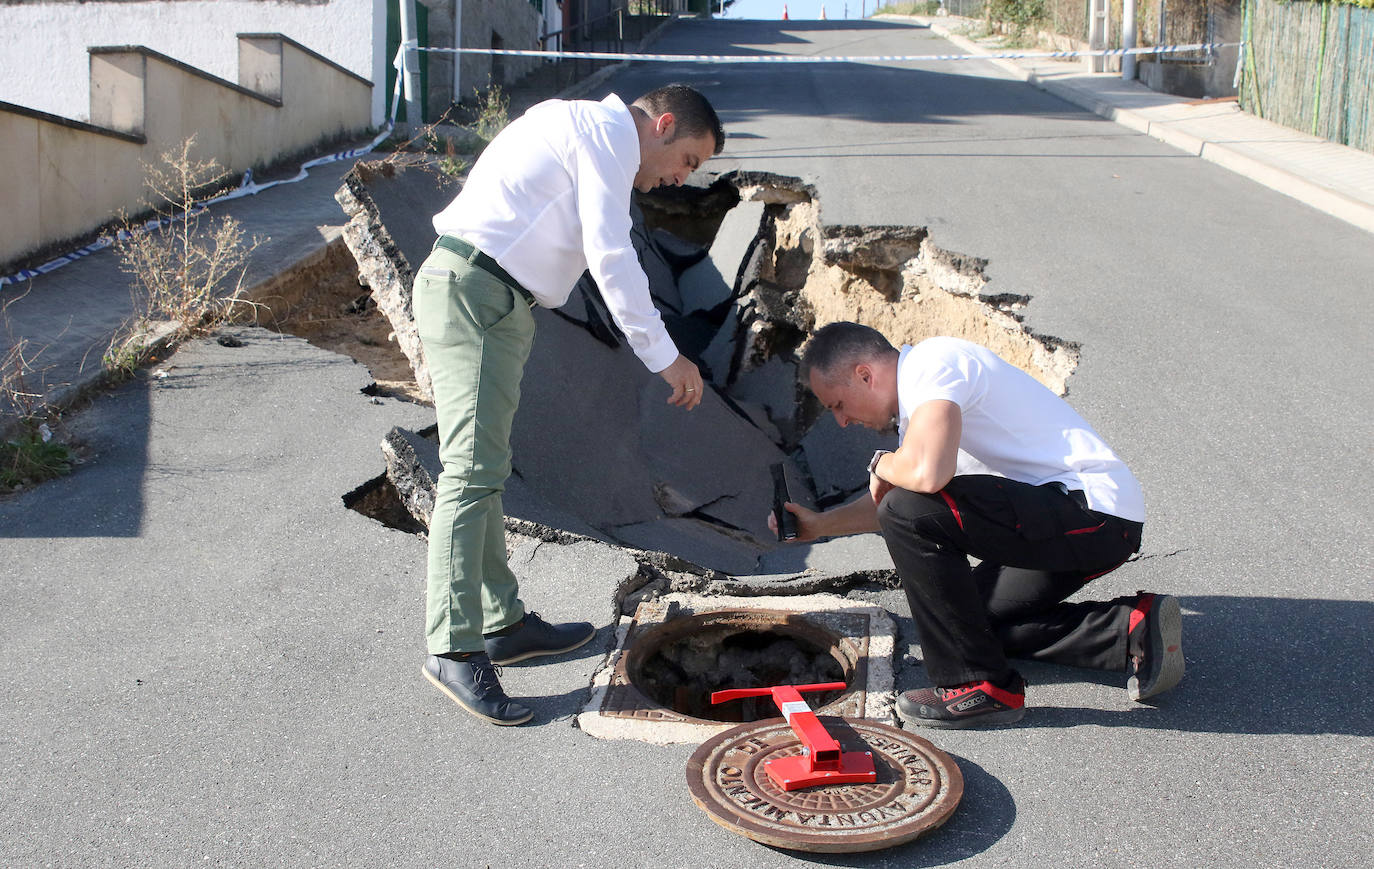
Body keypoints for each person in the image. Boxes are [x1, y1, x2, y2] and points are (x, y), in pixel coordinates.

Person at [414, 84, 725, 725]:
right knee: (469, 473)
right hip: (474, 292)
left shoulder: (585, 130)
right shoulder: (606, 136)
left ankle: (502, 624)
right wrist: (666, 357)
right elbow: (611, 256)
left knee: (487, 468)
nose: (678, 179)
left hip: (494, 298)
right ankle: (452, 645)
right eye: (688, 160)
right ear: (663, 125)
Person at [774, 323, 1184, 729]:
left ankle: (978, 687)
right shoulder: (920, 412)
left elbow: (922, 482)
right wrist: (818, 526)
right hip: (1061, 522)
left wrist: (880, 463)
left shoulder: (933, 364)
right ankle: (1131, 631)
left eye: (837, 406)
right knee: (964, 624)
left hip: (1093, 511)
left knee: (908, 509)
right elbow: (898, 499)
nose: (843, 422)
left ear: (865, 375)